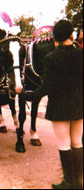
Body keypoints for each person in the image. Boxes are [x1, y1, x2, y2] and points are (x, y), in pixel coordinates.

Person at [20, 20, 83, 189]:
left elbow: (46, 88)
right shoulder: (80, 54)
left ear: (56, 37)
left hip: (60, 107)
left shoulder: (51, 58)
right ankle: (78, 181)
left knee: (64, 144)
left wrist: (28, 95)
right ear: (70, 35)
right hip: (79, 105)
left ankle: (69, 182)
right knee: (77, 142)